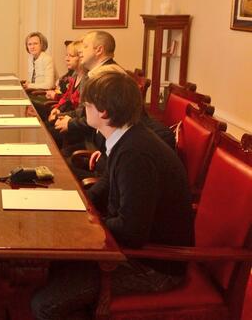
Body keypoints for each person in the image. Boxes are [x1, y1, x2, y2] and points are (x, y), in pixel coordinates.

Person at [32, 71, 194, 320]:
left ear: (104, 112)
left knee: (44, 304)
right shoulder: (128, 137)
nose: (83, 110)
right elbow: (107, 182)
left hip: (154, 265)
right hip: (132, 250)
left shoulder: (135, 154)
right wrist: (80, 204)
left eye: (87, 105)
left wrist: (85, 224)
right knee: (50, 268)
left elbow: (132, 231)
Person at [50, 31, 119, 151]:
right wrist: (63, 116)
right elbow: (85, 112)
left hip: (104, 145)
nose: (81, 51)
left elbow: (103, 118)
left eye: (85, 46)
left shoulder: (106, 76)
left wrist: (70, 123)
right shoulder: (97, 73)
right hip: (97, 139)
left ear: (99, 50)